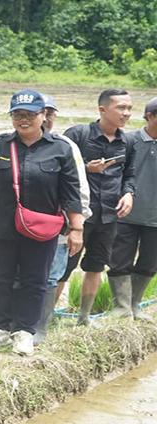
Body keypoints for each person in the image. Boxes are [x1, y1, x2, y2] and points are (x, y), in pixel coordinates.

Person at [0, 90, 83, 356]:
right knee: (0, 279)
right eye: (18, 115)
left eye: (31, 114)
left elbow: (71, 194)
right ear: (12, 118)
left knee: (36, 281)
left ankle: (24, 332)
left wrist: (77, 229)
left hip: (42, 231)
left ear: (44, 115)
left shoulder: (60, 149)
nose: (24, 120)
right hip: (0, 228)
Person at [61, 89, 136, 325]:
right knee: (63, 268)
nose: (126, 113)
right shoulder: (78, 134)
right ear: (102, 109)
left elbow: (130, 174)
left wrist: (129, 193)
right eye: (121, 108)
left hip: (109, 216)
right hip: (78, 215)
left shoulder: (128, 142)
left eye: (129, 108)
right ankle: (43, 320)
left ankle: (83, 317)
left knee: (95, 266)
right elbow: (58, 168)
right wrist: (85, 167)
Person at [33, 96, 93, 345]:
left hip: (57, 225)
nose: (46, 117)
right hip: (19, 225)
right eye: (41, 112)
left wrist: (76, 226)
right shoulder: (9, 142)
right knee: (18, 275)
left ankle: (40, 328)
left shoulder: (66, 145)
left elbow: (79, 189)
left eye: (50, 113)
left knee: (51, 276)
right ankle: (14, 324)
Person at [106, 97, 157, 321]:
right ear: (150, 116)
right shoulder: (128, 140)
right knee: (119, 260)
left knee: (150, 262)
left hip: (155, 218)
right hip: (125, 214)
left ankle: (135, 305)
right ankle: (121, 307)